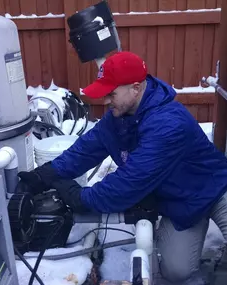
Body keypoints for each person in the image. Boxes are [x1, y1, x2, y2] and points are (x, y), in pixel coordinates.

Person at [18, 51, 227, 284]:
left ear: (135, 88)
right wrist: (44, 174)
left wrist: (81, 198)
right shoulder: (121, 116)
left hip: (216, 189)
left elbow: (127, 185)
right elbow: (87, 149)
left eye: (111, 94)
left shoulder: (168, 125)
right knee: (176, 271)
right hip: (181, 204)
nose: (106, 101)